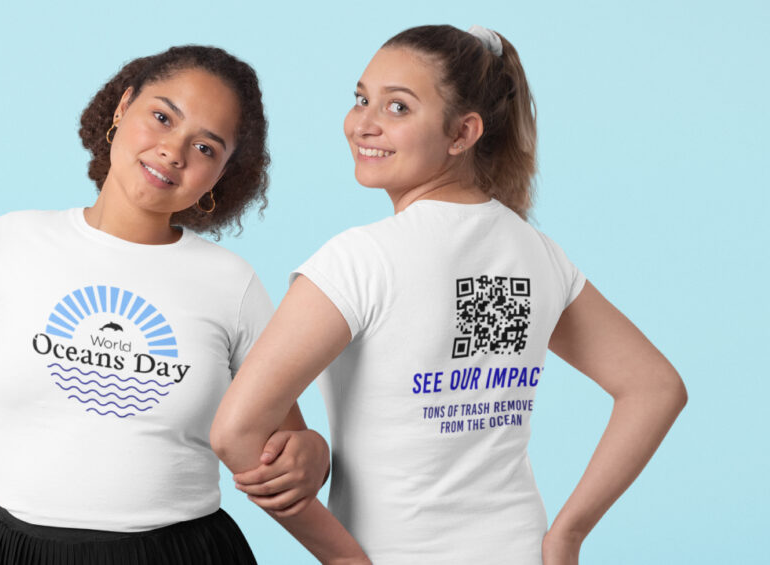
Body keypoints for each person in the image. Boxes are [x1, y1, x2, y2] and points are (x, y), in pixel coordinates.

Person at [0, 45, 334, 564]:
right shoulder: (12, 246)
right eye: (161, 117)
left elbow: (286, 446)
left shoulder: (231, 284)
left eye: (206, 148)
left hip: (184, 552)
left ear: (221, 175)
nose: (175, 151)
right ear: (122, 107)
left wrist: (313, 455)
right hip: (22, 552)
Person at [211, 25, 687, 564]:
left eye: (397, 108)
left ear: (462, 133)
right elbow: (655, 387)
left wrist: (343, 556)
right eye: (362, 99)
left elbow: (237, 431)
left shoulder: (360, 260)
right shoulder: (536, 253)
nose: (363, 124)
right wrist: (568, 533)